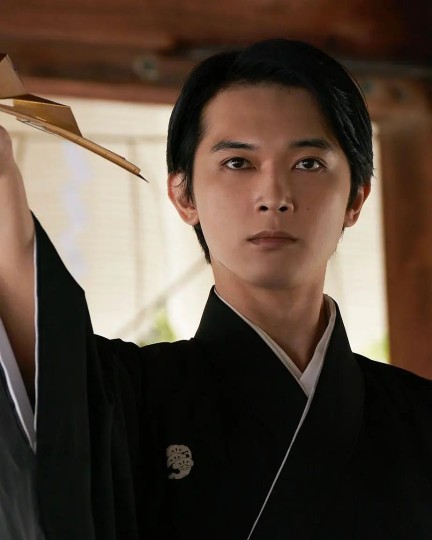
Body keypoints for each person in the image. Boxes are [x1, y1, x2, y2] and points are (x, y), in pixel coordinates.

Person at [0, 38, 431, 540]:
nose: (274, 196)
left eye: (308, 163)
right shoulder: (128, 397)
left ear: (356, 197)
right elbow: (36, 324)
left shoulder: (420, 417)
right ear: (184, 194)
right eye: (238, 163)